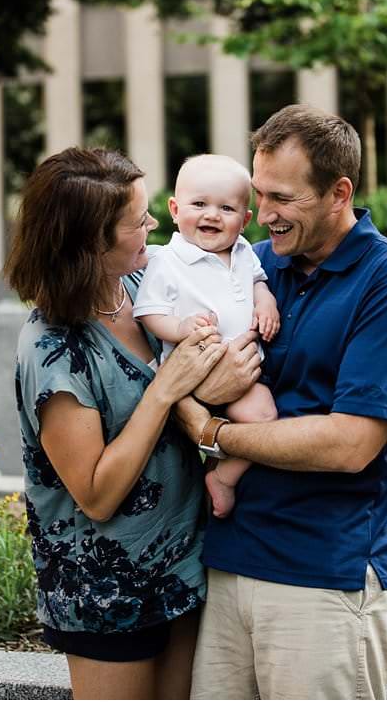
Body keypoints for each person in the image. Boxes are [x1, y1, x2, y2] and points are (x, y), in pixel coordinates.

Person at [180, 105, 387, 700]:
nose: (261, 213)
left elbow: (350, 444)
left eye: (282, 198)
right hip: (227, 563)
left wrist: (212, 433)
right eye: (258, 193)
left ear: (338, 192)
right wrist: (202, 398)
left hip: (324, 577)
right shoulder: (254, 265)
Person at [4, 146, 261, 700]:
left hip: (183, 563)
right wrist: (167, 391)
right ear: (94, 242)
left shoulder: (145, 289)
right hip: (107, 591)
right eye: (138, 219)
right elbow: (96, 494)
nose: (154, 225)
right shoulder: (52, 350)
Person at [133, 153, 281, 518]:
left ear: (245, 220)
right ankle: (215, 474)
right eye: (199, 204)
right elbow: (149, 312)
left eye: (226, 208)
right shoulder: (166, 261)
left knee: (264, 417)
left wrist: (266, 303)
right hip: (194, 370)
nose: (212, 215)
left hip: (246, 372)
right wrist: (180, 328)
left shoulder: (244, 253)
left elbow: (258, 282)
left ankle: (223, 476)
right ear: (174, 208)